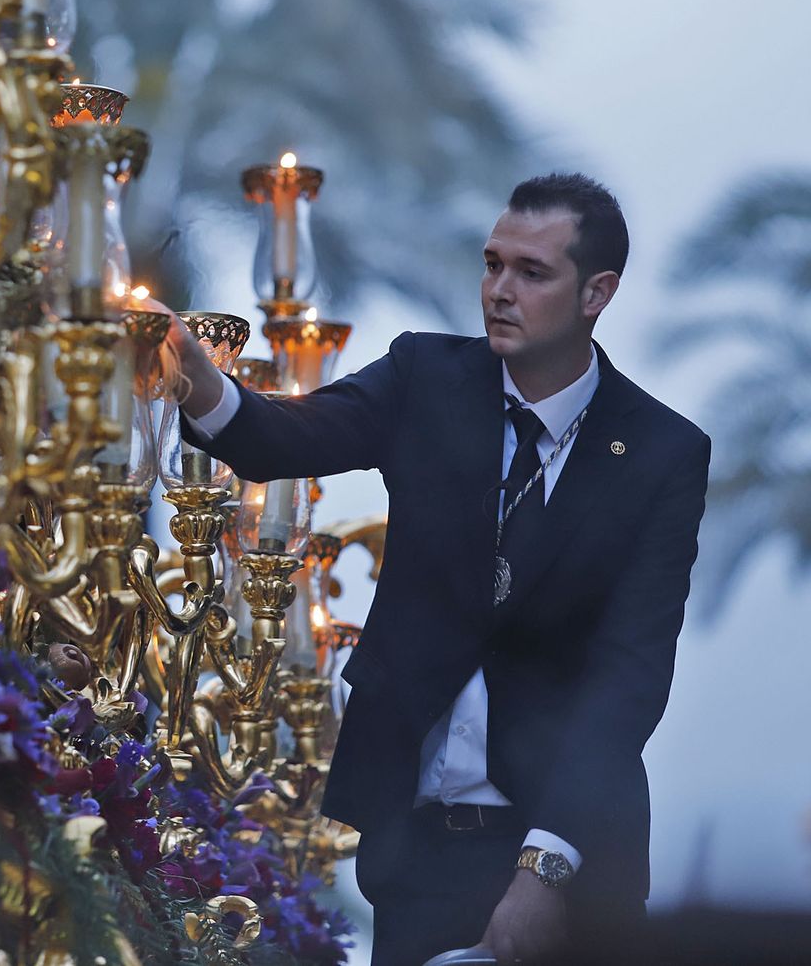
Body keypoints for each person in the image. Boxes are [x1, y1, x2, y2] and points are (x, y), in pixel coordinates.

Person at [162, 174, 712, 965]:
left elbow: (630, 676)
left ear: (598, 291)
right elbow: (286, 436)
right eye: (492, 264)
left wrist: (544, 872)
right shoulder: (427, 378)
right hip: (417, 853)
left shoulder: (662, 452)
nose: (499, 290)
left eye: (531, 272)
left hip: (571, 856)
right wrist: (196, 375)